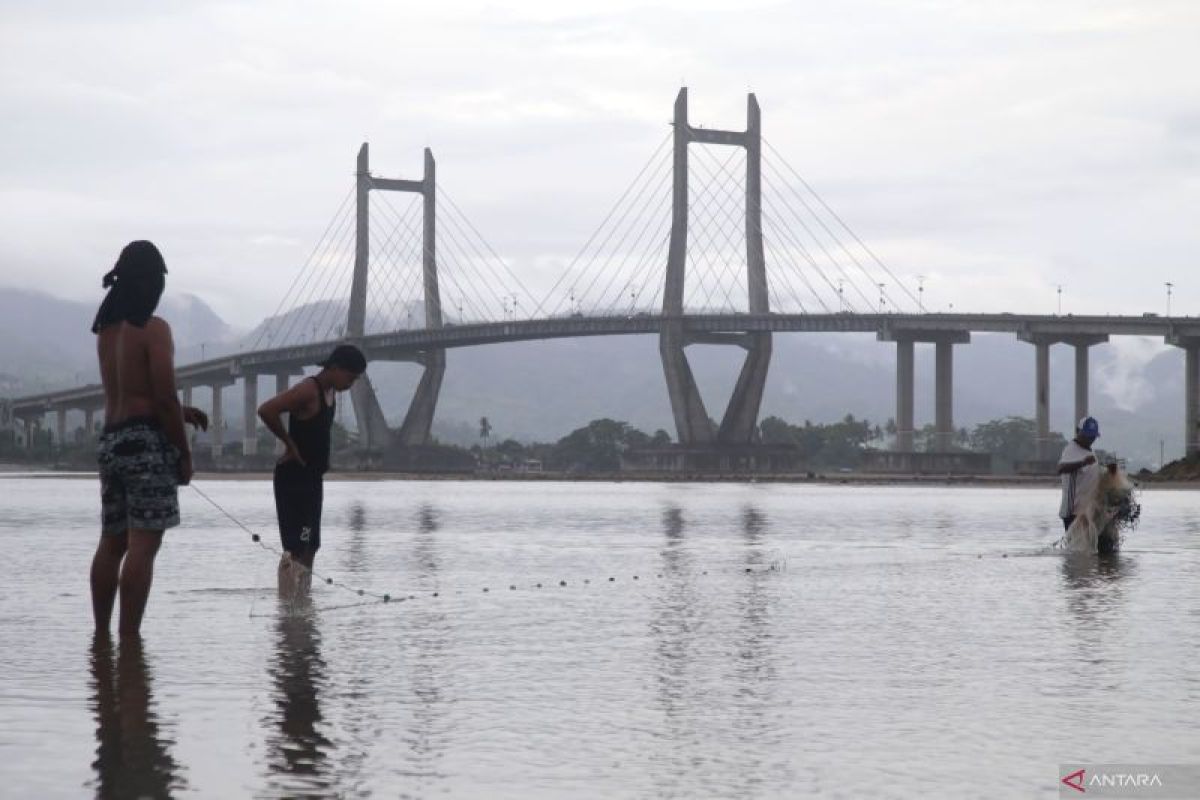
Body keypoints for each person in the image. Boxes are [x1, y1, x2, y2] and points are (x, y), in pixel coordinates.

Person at [91, 240, 208, 636]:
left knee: (112, 541)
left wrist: (180, 414)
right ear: (153, 284)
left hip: (111, 440)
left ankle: (102, 637)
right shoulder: (155, 330)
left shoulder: (106, 331)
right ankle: (130, 640)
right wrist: (184, 454)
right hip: (144, 444)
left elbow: (133, 393)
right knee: (144, 544)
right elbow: (162, 396)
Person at [258, 344, 366, 591]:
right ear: (335, 368)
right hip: (294, 478)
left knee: (311, 545)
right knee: (295, 547)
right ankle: (287, 605)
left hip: (312, 478)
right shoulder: (309, 389)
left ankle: (301, 601)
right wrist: (289, 444)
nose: (351, 384)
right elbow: (267, 410)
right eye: (350, 377)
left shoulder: (330, 393)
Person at [1057, 416, 1101, 533]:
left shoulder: (1090, 451)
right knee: (1077, 548)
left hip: (1087, 511)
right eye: (1087, 435)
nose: (1090, 439)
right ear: (1078, 431)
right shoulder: (1071, 449)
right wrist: (1082, 462)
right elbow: (1061, 468)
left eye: (1092, 436)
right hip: (1073, 512)